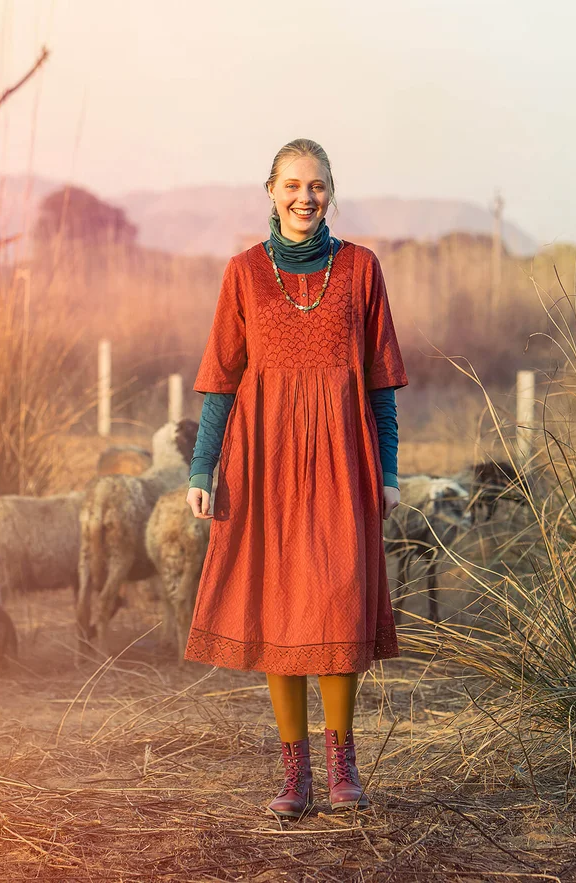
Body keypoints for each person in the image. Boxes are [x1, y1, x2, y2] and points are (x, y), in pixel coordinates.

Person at [184, 138, 408, 821]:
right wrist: (202, 464)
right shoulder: (245, 273)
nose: (304, 197)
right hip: (263, 463)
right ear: (272, 190)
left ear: (330, 192)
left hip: (344, 457)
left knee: (338, 601)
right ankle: (295, 773)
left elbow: (382, 386)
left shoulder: (362, 269)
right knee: (279, 609)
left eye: (316, 186)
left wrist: (390, 471)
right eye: (292, 185)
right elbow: (222, 380)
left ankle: (344, 764)